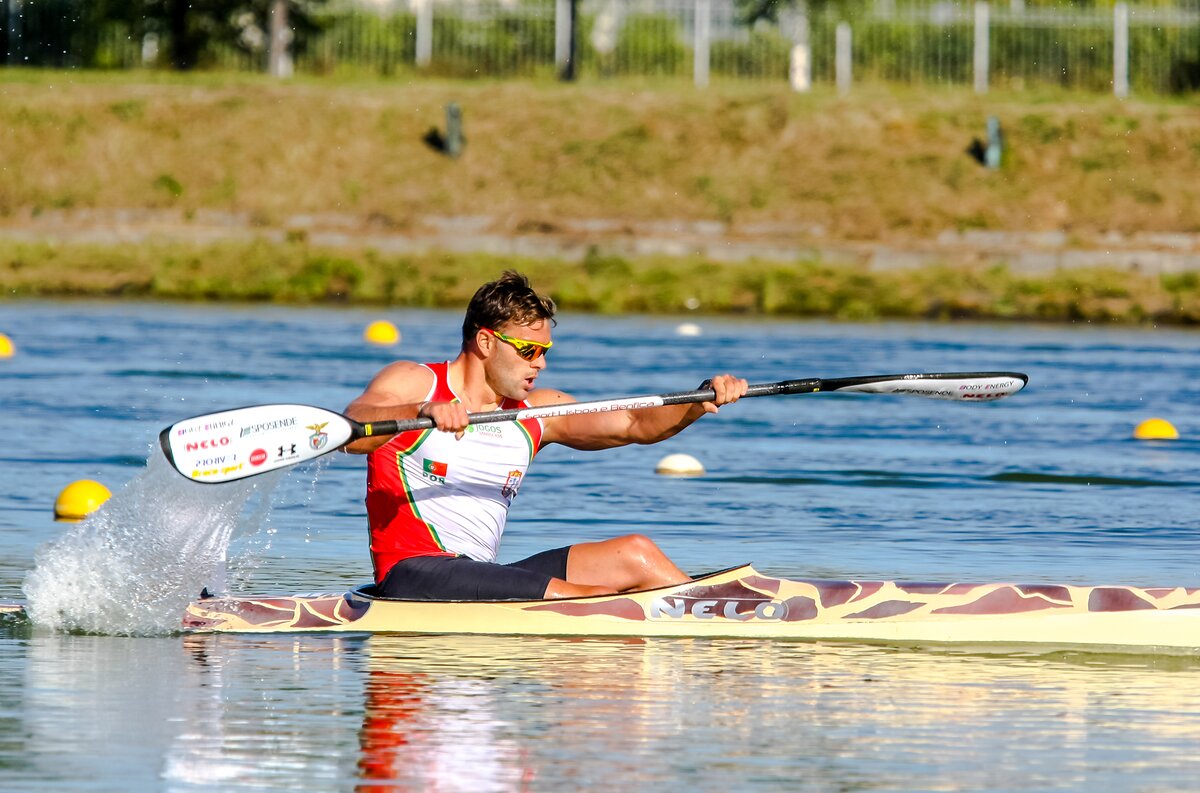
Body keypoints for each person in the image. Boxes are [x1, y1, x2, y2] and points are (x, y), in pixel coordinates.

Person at [344, 271, 747, 601]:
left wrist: (699, 400)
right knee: (591, 597)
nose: (540, 364)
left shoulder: (536, 413)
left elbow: (632, 423)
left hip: (480, 576)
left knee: (635, 554)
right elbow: (353, 428)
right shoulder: (417, 382)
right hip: (413, 574)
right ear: (486, 341)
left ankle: (721, 622)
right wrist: (420, 411)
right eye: (527, 350)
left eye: (545, 351)